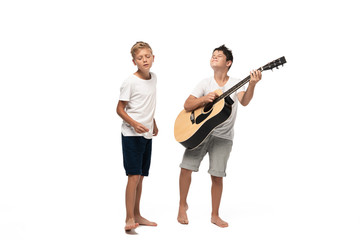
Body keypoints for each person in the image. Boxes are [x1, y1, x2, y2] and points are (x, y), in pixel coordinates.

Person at [177, 45, 262, 228]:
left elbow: (245, 101)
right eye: (213, 55)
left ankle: (215, 215)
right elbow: (187, 104)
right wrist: (203, 99)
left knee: (217, 176)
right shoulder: (205, 83)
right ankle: (182, 206)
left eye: (219, 56)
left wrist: (252, 84)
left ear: (228, 63)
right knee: (186, 169)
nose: (214, 57)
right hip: (199, 133)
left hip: (223, 137)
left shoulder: (237, 82)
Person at [116, 41, 158, 231]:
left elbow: (147, 103)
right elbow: (119, 109)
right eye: (140, 58)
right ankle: (129, 218)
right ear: (134, 62)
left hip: (147, 134)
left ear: (153, 57)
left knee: (140, 176)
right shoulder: (130, 82)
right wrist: (134, 124)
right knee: (133, 176)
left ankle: (138, 214)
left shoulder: (154, 78)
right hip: (131, 135)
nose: (144, 60)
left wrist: (153, 122)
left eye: (147, 56)